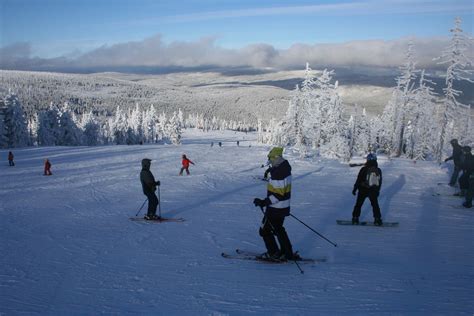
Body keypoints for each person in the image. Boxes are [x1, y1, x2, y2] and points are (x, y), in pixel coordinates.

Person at [253, 147, 294, 261]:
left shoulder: (279, 173)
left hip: (275, 208)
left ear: (277, 158)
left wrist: (263, 202)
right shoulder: (284, 168)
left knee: (265, 231)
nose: (269, 161)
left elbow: (278, 195)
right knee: (278, 229)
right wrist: (271, 171)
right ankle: (287, 252)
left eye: (271, 159)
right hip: (282, 207)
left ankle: (274, 253)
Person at [351, 153, 383, 225]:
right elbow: (380, 182)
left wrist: (355, 189)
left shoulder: (363, 169)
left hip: (363, 189)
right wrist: (377, 191)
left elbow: (358, 180)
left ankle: (355, 218)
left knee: (358, 204)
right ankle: (377, 219)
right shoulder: (378, 170)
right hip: (373, 190)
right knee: (375, 205)